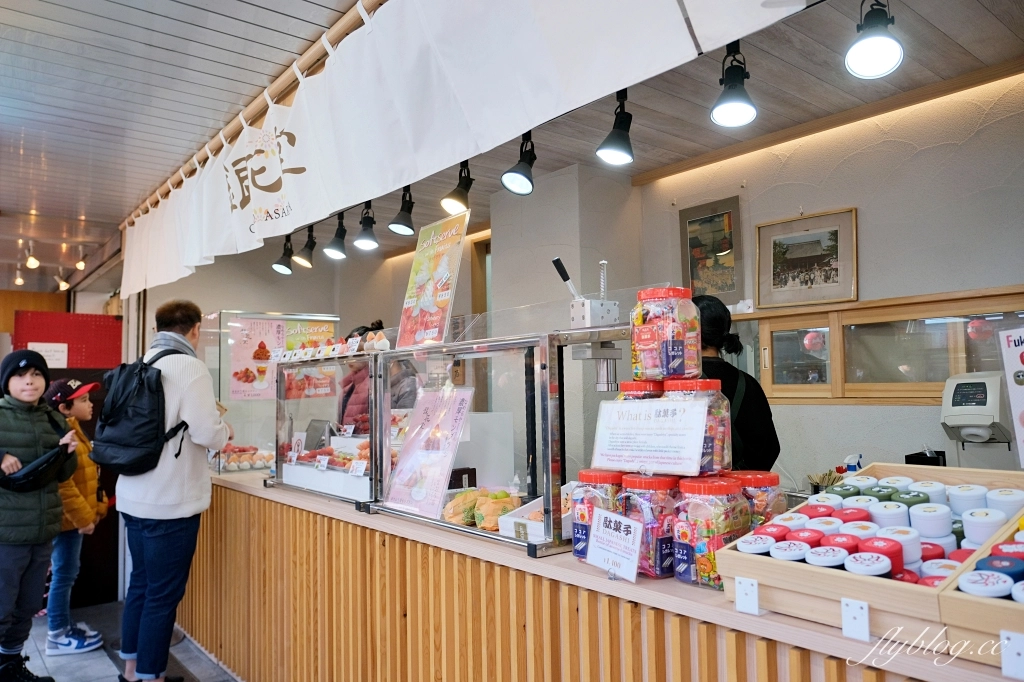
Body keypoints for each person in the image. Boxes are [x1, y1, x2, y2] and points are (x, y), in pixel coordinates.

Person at [116, 301, 232, 682]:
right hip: (170, 502)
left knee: (141, 585)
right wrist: (225, 430)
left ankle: (131, 671)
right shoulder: (190, 367)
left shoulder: (140, 363)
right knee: (162, 597)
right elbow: (206, 432)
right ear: (196, 330)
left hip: (133, 495)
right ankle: (152, 677)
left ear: (157, 328)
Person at [0, 350, 79, 682]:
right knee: (1, 607)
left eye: (35, 374)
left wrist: (68, 453)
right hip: (6, 534)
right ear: (6, 382)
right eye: (20, 376)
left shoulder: (53, 419)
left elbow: (63, 475)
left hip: (43, 529)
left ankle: (9, 667)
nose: (29, 381)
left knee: (28, 605)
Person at [42, 379, 108, 657]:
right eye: (83, 400)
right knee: (64, 575)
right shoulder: (61, 435)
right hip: (68, 522)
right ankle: (57, 635)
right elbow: (63, 486)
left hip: (73, 521)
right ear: (64, 407)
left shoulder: (73, 430)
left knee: (68, 573)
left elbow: (89, 476)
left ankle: (64, 626)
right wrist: (84, 519)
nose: (90, 404)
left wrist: (97, 509)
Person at [693, 295, 781, 471]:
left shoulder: (675, 385)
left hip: (687, 488)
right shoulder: (748, 384)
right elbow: (769, 448)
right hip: (741, 486)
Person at [338, 321, 383, 429]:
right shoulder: (348, 386)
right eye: (348, 351)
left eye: (357, 351)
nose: (350, 357)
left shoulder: (376, 383)